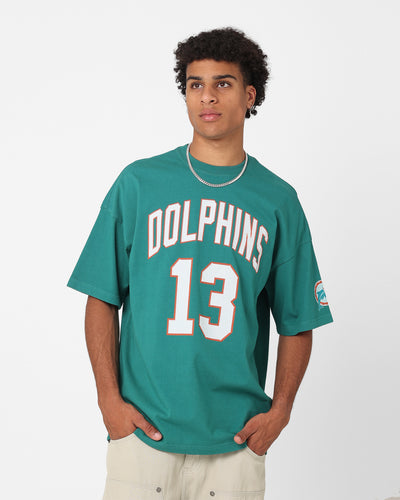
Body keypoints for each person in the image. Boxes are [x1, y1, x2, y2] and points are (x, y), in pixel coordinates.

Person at [67, 26, 333, 500]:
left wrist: (280, 412)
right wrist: (108, 400)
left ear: (250, 95)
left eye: (223, 83)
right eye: (195, 84)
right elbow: (101, 295)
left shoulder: (278, 200)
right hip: (142, 437)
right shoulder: (139, 183)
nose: (207, 96)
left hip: (235, 443)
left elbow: (298, 321)